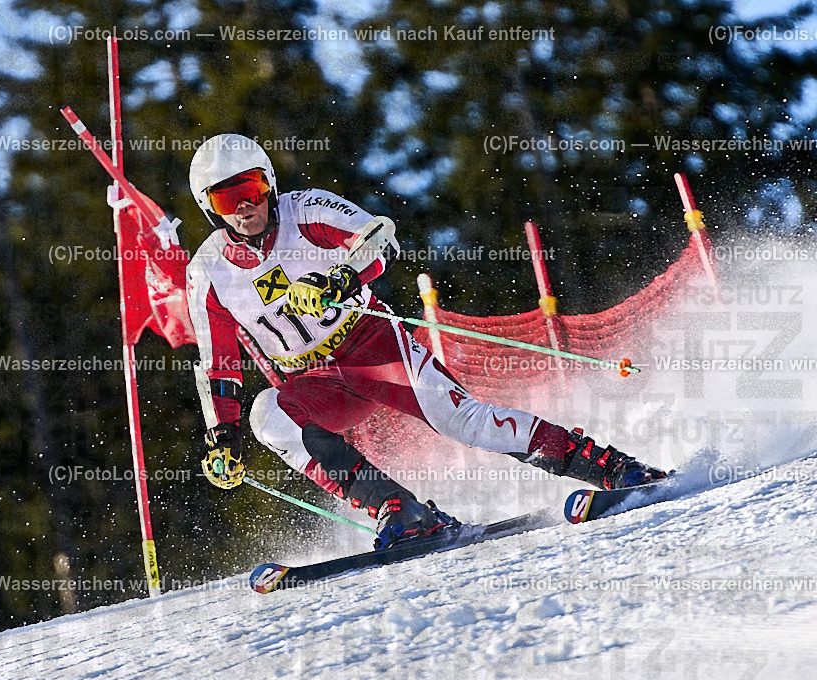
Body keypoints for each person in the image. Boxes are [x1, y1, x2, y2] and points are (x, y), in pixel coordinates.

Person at [185, 133, 665, 547]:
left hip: (372, 346)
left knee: (463, 422)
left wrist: (341, 280)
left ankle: (607, 466)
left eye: (252, 189)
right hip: (315, 380)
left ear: (269, 184)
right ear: (211, 207)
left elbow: (380, 237)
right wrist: (223, 436)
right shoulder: (208, 273)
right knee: (268, 414)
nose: (246, 206)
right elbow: (218, 362)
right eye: (229, 199)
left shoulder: (305, 210)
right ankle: (400, 512)